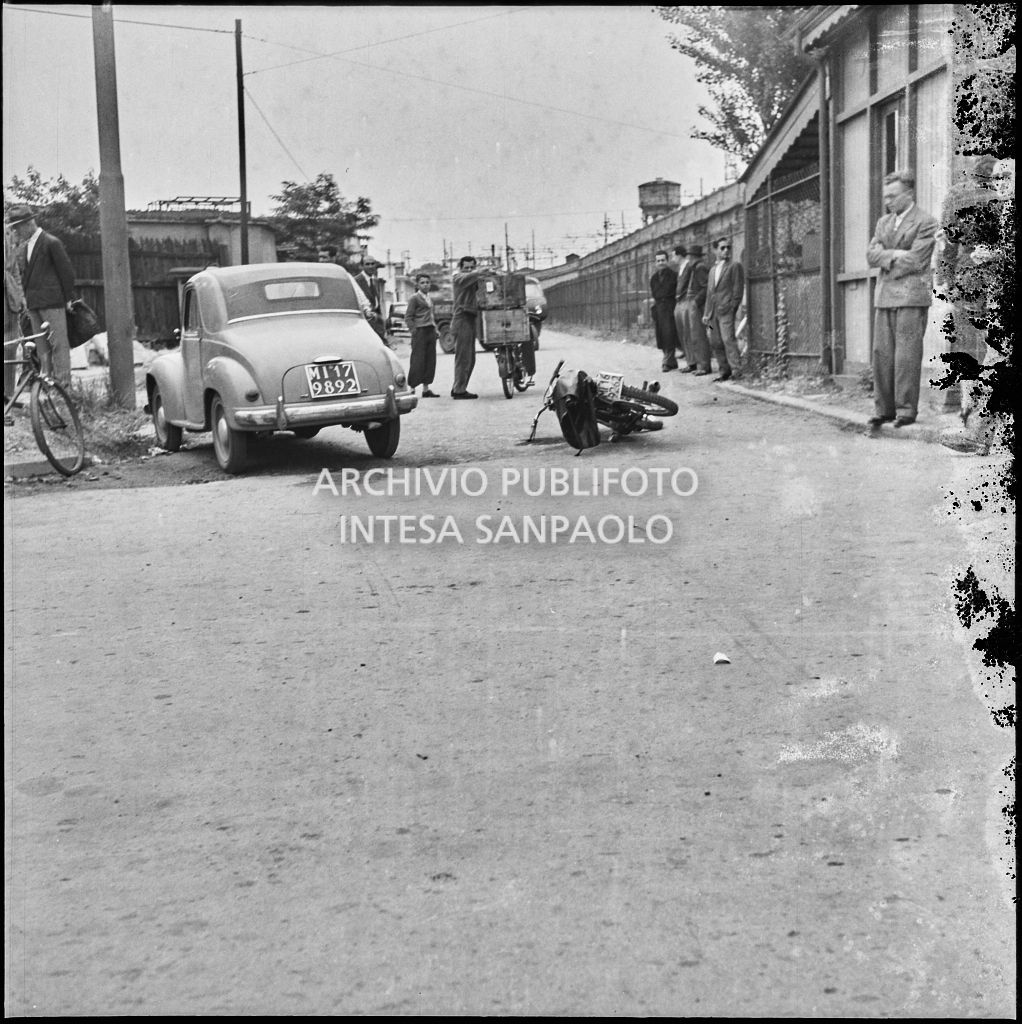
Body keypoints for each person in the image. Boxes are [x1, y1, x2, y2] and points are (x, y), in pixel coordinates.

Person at [937, 156, 1014, 455]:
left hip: (982, 286)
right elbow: (949, 243)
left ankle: (977, 431)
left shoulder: (963, 197)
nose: (999, 185)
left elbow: (948, 242)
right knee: (991, 360)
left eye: (1006, 179)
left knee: (985, 358)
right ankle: (977, 432)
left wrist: (993, 255)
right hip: (985, 290)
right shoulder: (1002, 207)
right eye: (997, 179)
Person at [865, 170, 940, 429]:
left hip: (911, 296)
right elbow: (871, 254)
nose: (888, 201)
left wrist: (888, 257)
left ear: (909, 194)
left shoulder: (926, 221)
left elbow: (917, 260)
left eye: (893, 196)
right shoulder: (883, 222)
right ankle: (884, 410)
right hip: (885, 296)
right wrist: (897, 254)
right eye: (886, 196)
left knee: (906, 356)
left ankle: (906, 411)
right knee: (881, 354)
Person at [6, 204, 76, 387]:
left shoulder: (51, 242)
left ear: (28, 223)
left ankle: (63, 387)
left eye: (17, 227)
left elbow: (67, 272)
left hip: (53, 303)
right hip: (34, 304)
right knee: (41, 346)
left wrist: (67, 299)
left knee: (58, 344)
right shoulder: (25, 247)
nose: (16, 231)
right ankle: (47, 383)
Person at [449, 255, 497, 399]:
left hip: (470, 318)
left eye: (472, 267)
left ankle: (458, 387)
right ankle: (459, 390)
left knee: (470, 358)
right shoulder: (458, 278)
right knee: (463, 358)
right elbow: (467, 278)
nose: (469, 270)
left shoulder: (472, 279)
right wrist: (482, 271)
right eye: (466, 268)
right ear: (460, 268)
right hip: (462, 318)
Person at [702, 236, 745, 382]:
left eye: (728, 247)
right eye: (722, 248)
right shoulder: (713, 270)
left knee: (728, 339)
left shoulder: (734, 266)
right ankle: (724, 371)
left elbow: (738, 290)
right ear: (715, 250)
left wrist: (732, 307)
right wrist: (706, 314)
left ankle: (737, 371)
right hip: (713, 315)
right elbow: (709, 293)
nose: (726, 250)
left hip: (726, 312)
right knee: (715, 341)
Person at [678, 244, 712, 376]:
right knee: (691, 335)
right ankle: (696, 364)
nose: (689, 259)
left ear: (693, 257)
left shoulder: (700, 267)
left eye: (690, 256)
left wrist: (696, 302)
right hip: (692, 304)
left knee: (699, 336)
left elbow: (706, 287)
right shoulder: (694, 268)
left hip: (697, 305)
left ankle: (704, 366)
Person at [404, 272, 439, 398]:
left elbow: (431, 315)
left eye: (427, 282)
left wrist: (435, 329)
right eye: (422, 283)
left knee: (430, 360)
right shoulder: (414, 298)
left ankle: (426, 389)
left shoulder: (429, 298)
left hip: (430, 331)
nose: (425, 285)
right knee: (417, 360)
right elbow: (408, 317)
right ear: (417, 285)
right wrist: (414, 331)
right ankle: (412, 388)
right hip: (420, 331)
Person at [4, 219, 27, 404]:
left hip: (9, 298)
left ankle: (8, 395)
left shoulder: (8, 234)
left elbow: (15, 270)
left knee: (10, 345)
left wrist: (20, 296)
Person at [649, 250, 679, 371]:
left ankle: (667, 361)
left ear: (667, 261)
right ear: (655, 263)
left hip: (670, 307)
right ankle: (672, 361)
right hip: (659, 309)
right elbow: (655, 293)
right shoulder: (654, 278)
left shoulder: (673, 275)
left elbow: (672, 291)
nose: (661, 263)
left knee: (669, 334)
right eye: (658, 261)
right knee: (661, 335)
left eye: (663, 260)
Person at [353, 254, 389, 346]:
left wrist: (382, 321)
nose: (370, 266)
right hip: (365, 323)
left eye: (372, 264)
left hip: (377, 322)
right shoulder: (356, 281)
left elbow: (377, 303)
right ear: (362, 266)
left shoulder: (375, 281)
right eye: (367, 264)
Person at [672, 245, 694, 371]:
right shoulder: (681, 268)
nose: (672, 258)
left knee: (688, 333)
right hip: (679, 302)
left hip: (686, 301)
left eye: (673, 255)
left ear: (679, 255)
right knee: (682, 333)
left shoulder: (689, 267)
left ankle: (692, 362)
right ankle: (689, 361)